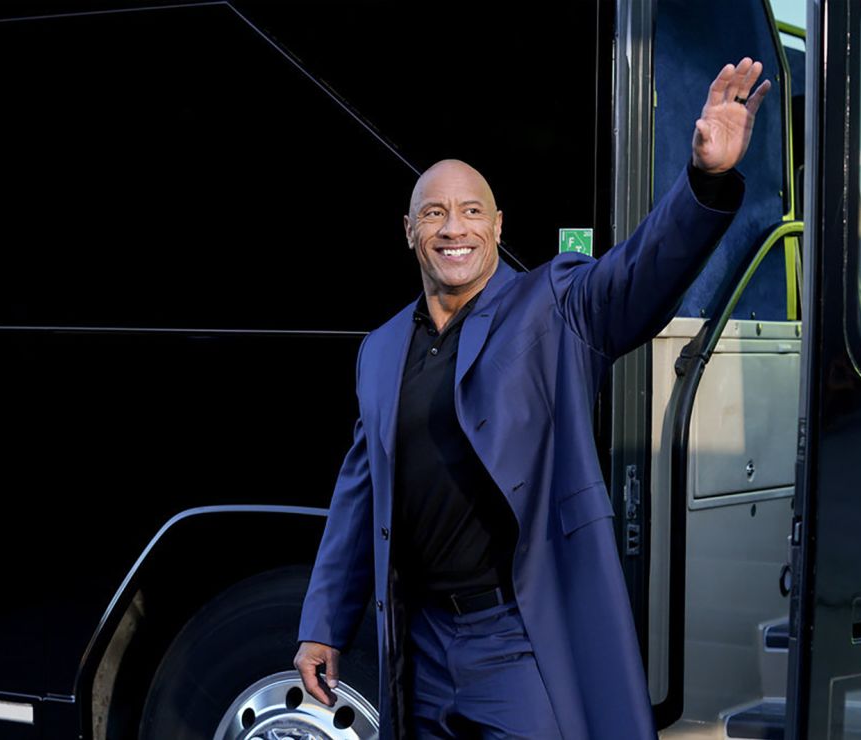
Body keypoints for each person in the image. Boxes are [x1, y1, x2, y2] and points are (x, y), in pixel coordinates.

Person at [295, 58, 771, 739]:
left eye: (470, 212)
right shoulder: (379, 350)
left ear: (497, 226)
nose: (453, 228)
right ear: (409, 230)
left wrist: (706, 180)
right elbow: (358, 495)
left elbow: (638, 274)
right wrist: (322, 626)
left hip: (515, 636)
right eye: (435, 213)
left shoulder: (553, 304)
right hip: (422, 640)